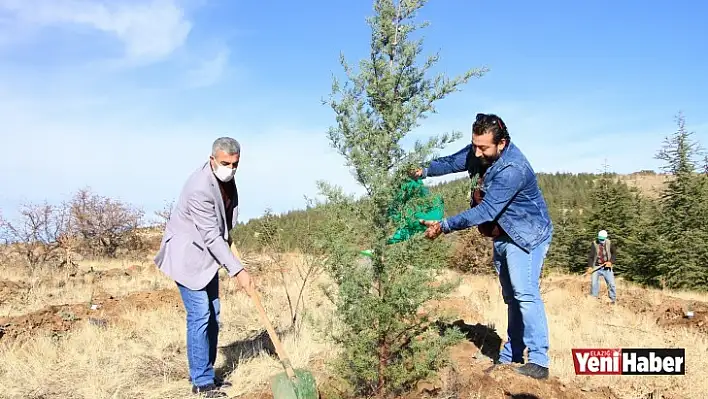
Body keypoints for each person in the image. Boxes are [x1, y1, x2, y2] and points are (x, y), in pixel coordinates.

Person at [414, 113, 554, 380]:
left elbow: (487, 211)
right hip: (503, 234)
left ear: (501, 144)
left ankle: (539, 361)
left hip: (526, 236)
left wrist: (444, 225)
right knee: (511, 298)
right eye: (474, 145)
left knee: (525, 295)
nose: (477, 153)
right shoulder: (480, 151)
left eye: (484, 147)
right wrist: (422, 170)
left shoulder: (513, 169)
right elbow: (452, 162)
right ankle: (511, 355)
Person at [154, 137, 253, 397]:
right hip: (188, 257)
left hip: (208, 257)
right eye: (224, 163)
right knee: (200, 315)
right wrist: (238, 270)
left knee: (214, 314)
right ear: (212, 160)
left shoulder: (226, 180)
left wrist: (228, 239)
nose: (230, 169)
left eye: (235, 164)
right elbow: (210, 235)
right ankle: (201, 383)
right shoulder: (199, 187)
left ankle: (207, 372)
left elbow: (223, 222)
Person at [586, 230, 617, 304]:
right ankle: (593, 299)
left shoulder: (609, 243)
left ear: (605, 238)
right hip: (596, 266)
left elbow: (614, 253)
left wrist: (610, 262)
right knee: (594, 283)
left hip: (607, 266)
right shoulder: (594, 243)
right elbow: (591, 256)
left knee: (611, 284)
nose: (601, 240)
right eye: (600, 239)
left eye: (602, 239)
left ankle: (612, 300)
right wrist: (590, 267)